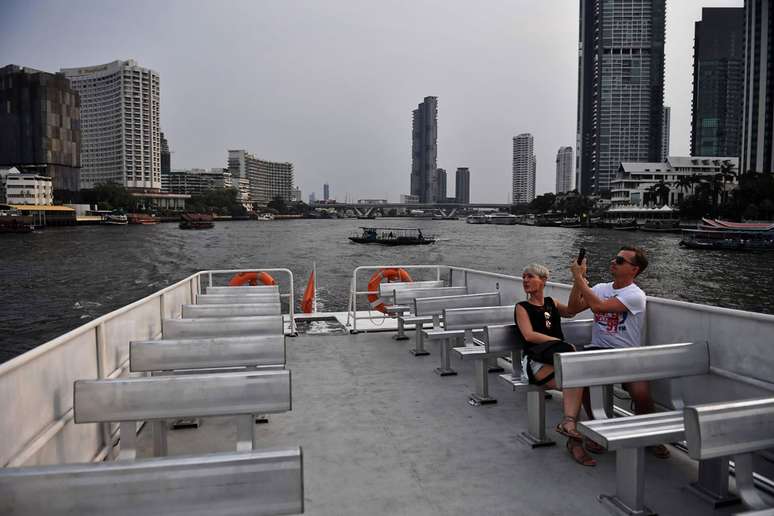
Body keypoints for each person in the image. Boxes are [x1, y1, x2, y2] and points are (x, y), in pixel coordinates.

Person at [567, 246, 670, 459]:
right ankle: (597, 429)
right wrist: (579, 279)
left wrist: (579, 278)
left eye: (621, 260)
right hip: (598, 349)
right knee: (585, 382)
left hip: (627, 353)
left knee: (641, 393)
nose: (614, 261)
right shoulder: (601, 288)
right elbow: (572, 309)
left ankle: (647, 436)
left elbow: (600, 308)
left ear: (635, 269)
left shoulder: (635, 295)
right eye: (615, 258)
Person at [514, 264, 596, 467]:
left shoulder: (551, 303)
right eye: (523, 277)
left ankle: (571, 427)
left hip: (559, 361)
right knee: (575, 379)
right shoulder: (522, 307)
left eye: (530, 276)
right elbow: (529, 335)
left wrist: (579, 280)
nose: (525, 280)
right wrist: (560, 344)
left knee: (574, 379)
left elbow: (572, 310)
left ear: (543, 281)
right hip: (535, 363)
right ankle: (577, 437)